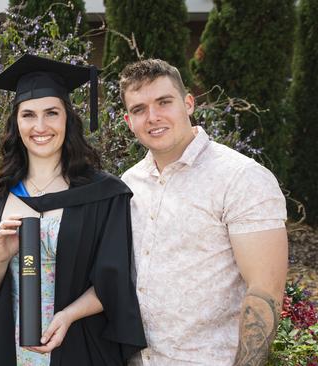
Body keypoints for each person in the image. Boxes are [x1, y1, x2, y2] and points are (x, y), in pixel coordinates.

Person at [0, 54, 146, 366]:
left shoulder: (103, 195)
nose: (40, 127)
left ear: (68, 118)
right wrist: (0, 257)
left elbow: (113, 281)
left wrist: (68, 315)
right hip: (6, 349)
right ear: (16, 123)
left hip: (78, 343)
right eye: (28, 115)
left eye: (51, 113)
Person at [119, 59, 288, 365]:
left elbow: (266, 289)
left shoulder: (241, 178)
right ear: (128, 121)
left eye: (164, 102)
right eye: (139, 109)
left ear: (188, 103)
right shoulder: (129, 184)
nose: (153, 117)